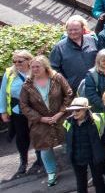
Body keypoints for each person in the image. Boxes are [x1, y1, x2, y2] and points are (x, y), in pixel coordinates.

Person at [20, 56, 73, 186]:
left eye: (38, 66)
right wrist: (40, 118)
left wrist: (61, 112)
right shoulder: (27, 84)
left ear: (45, 67)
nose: (35, 69)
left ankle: (78, 166)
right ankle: (51, 173)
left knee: (69, 142)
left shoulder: (57, 78)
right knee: (45, 148)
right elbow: (24, 105)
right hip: (40, 122)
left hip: (61, 117)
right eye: (32, 67)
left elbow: (69, 94)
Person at [1, 50, 39, 177]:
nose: (17, 64)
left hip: (35, 108)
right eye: (15, 61)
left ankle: (40, 158)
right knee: (21, 136)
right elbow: (2, 93)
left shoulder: (36, 70)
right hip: (18, 109)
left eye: (20, 61)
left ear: (29, 61)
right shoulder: (10, 73)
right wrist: (3, 111)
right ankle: (24, 161)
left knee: (38, 133)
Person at [61, 97, 105, 193]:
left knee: (98, 181)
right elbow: (68, 141)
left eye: (77, 110)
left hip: (94, 157)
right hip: (77, 157)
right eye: (72, 110)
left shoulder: (97, 120)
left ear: (85, 109)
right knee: (81, 183)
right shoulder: (68, 122)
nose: (74, 113)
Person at [50, 15, 99, 91]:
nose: (73, 32)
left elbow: (102, 58)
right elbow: (53, 69)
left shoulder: (92, 40)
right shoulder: (59, 47)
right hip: (75, 90)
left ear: (83, 29)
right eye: (70, 30)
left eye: (76, 29)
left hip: (97, 85)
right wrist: (66, 83)